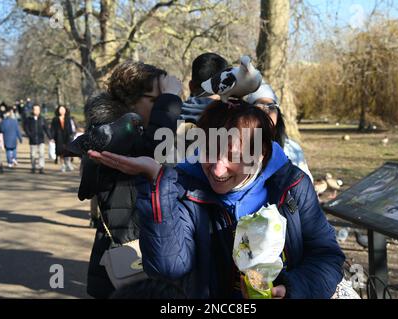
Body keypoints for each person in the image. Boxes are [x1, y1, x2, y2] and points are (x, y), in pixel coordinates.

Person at [89, 100, 345, 299]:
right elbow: (168, 268)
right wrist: (157, 181)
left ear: (261, 152)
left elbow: (326, 256)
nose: (217, 169)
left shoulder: (291, 185)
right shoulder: (182, 189)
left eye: (233, 156)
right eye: (209, 151)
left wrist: (292, 289)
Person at [81, 60, 183, 299]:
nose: (160, 107)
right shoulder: (113, 134)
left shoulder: (135, 132)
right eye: (155, 100)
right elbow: (153, 149)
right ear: (130, 102)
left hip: (137, 256)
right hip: (124, 263)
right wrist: (169, 100)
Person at [245, 82, 314, 182]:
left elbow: (306, 185)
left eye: (271, 107)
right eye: (259, 107)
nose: (266, 112)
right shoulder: (237, 147)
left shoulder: (292, 149)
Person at [24, 104, 51, 174]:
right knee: (33, 155)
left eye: (38, 109)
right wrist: (29, 135)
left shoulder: (42, 119)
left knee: (41, 154)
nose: (36, 111)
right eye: (35, 109)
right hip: (32, 140)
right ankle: (33, 167)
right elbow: (26, 128)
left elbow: (46, 129)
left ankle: (41, 167)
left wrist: (50, 137)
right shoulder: (29, 119)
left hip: (41, 139)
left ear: (39, 110)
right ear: (32, 110)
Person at [50, 105, 75, 172]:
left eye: (63, 109)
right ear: (58, 110)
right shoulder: (55, 119)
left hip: (67, 137)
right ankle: (63, 165)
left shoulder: (68, 119)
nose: (62, 111)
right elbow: (52, 129)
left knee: (68, 151)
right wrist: (52, 137)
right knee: (60, 152)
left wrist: (71, 135)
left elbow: (70, 129)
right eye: (60, 109)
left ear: (65, 110)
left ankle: (68, 163)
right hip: (58, 137)